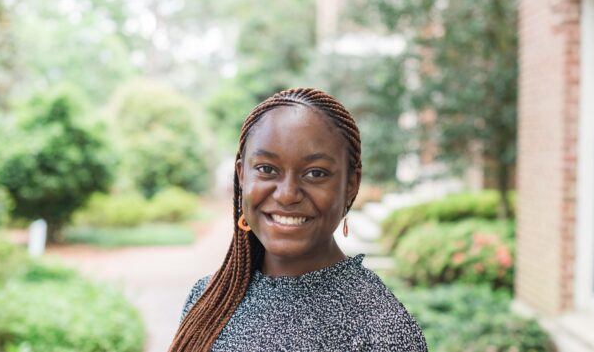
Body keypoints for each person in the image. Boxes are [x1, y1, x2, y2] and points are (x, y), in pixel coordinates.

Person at [169, 88, 428, 352]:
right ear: (242, 175)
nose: (288, 194)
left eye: (315, 173)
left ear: (351, 184)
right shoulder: (209, 299)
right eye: (266, 169)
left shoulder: (381, 329)